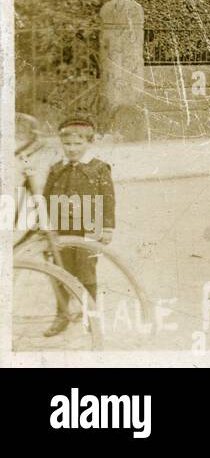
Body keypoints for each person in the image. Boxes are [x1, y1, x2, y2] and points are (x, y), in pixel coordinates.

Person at [43, 113, 116, 337]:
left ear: (88, 142)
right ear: (61, 143)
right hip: (61, 228)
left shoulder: (98, 168)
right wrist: (45, 226)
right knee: (60, 272)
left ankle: (90, 316)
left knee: (86, 273)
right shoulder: (57, 168)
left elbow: (108, 197)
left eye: (78, 143)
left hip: (89, 228)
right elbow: (45, 197)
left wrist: (106, 227)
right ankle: (62, 315)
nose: (72, 148)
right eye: (67, 143)